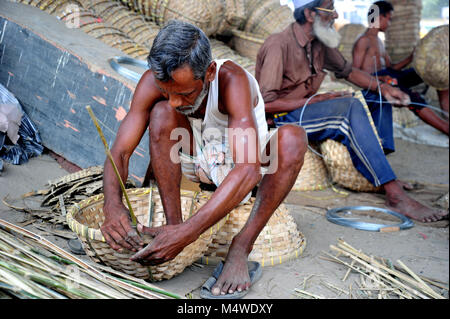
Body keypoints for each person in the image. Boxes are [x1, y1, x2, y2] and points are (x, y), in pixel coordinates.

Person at [100, 20, 307, 298]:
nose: (175, 101)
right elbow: (120, 151)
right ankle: (172, 227)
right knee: (161, 113)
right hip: (198, 163)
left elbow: (248, 171)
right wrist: (112, 205)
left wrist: (190, 232)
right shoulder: (153, 82)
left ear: (209, 72)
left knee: (293, 139)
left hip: (247, 169)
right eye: (166, 92)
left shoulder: (232, 80)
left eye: (185, 93)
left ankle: (239, 248)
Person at [255, 0, 448, 223]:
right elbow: (265, 104)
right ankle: (395, 195)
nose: (336, 15)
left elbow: (349, 72)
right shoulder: (278, 45)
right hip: (283, 119)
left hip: (306, 110)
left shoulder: (319, 43)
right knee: (348, 108)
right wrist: (319, 98)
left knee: (377, 97)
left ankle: (381, 172)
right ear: (309, 14)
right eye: (330, 9)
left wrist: (385, 88)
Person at [352, 0, 449, 135]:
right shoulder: (363, 41)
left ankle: (446, 111)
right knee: (410, 97)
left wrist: (411, 57)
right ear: (380, 17)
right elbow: (354, 72)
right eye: (389, 19)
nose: (390, 23)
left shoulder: (379, 41)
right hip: (376, 82)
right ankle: (446, 128)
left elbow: (392, 67)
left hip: (390, 75)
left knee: (432, 70)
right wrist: (381, 78)